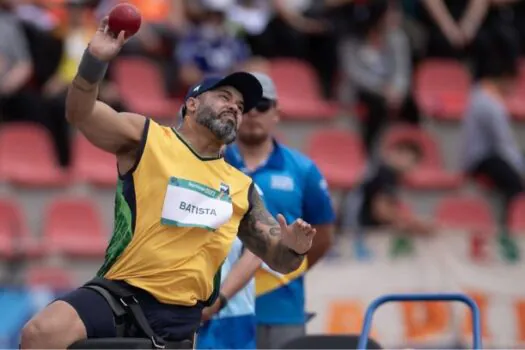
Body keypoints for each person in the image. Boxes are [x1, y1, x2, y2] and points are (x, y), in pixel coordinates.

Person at [20, 16, 318, 350]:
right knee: (40, 333)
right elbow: (80, 114)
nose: (234, 108)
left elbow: (280, 258)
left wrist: (295, 246)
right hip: (120, 293)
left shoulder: (241, 187)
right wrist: (95, 61)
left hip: (179, 317)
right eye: (224, 97)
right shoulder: (147, 139)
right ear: (192, 103)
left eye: (240, 106)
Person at [224, 73, 336, 349]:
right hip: (221, 308)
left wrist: (287, 267)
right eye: (245, 106)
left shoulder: (303, 170)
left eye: (262, 105)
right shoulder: (210, 161)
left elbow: (322, 237)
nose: (253, 114)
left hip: (281, 308)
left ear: (277, 113)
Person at [341, 140, 433, 235]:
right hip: (358, 233)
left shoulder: (380, 171)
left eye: (413, 161)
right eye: (402, 155)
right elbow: (381, 212)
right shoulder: (386, 174)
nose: (407, 163)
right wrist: (412, 223)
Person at [195, 236, 261, 349]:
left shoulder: (247, 218)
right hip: (176, 315)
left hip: (233, 318)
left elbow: (255, 253)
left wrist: (217, 301)